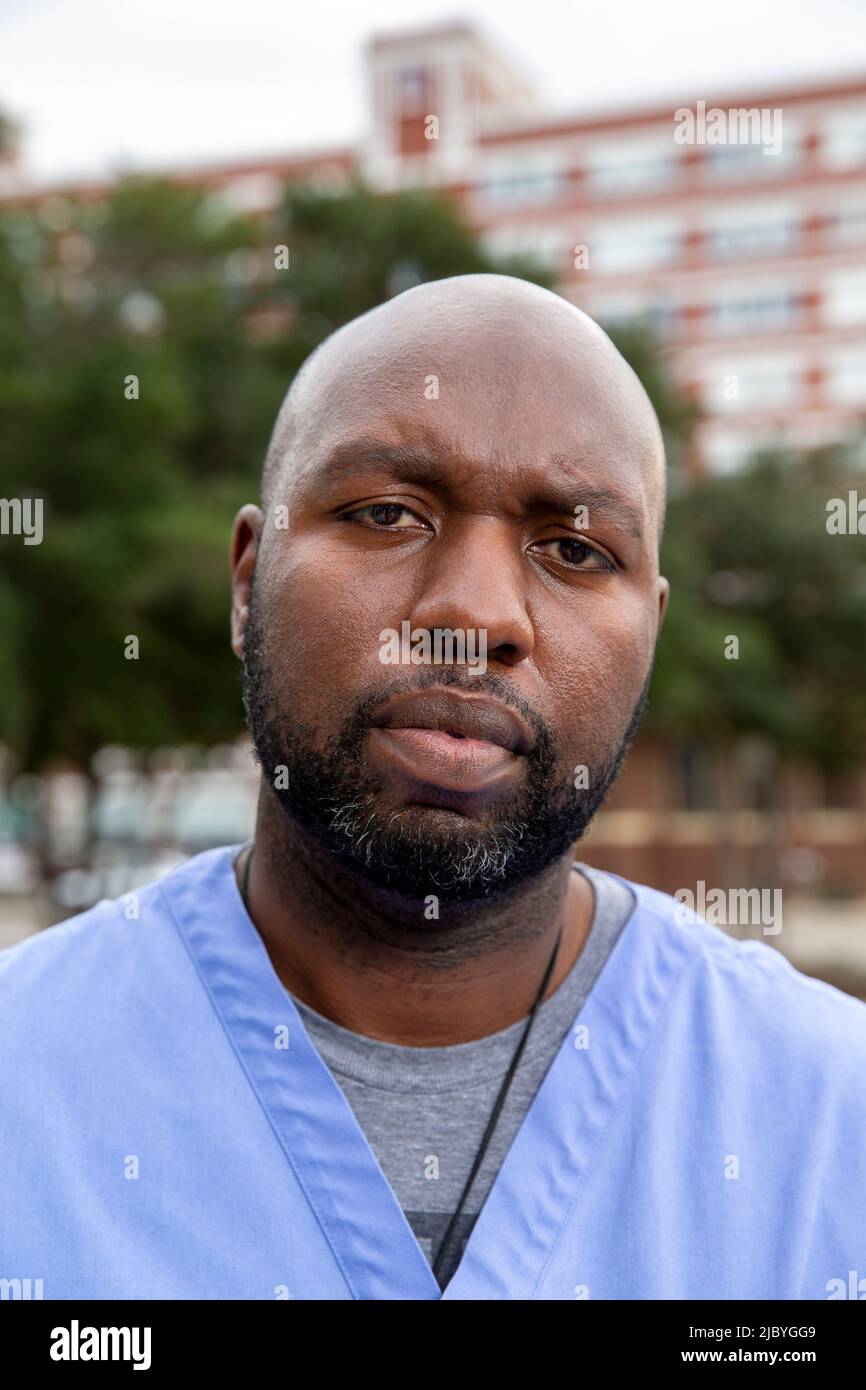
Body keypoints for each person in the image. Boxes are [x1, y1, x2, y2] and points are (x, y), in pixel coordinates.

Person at [2, 275, 865, 1301]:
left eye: (574, 549)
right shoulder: (27, 1076)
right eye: (385, 512)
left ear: (652, 637)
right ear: (246, 583)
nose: (474, 612)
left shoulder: (827, 1115)